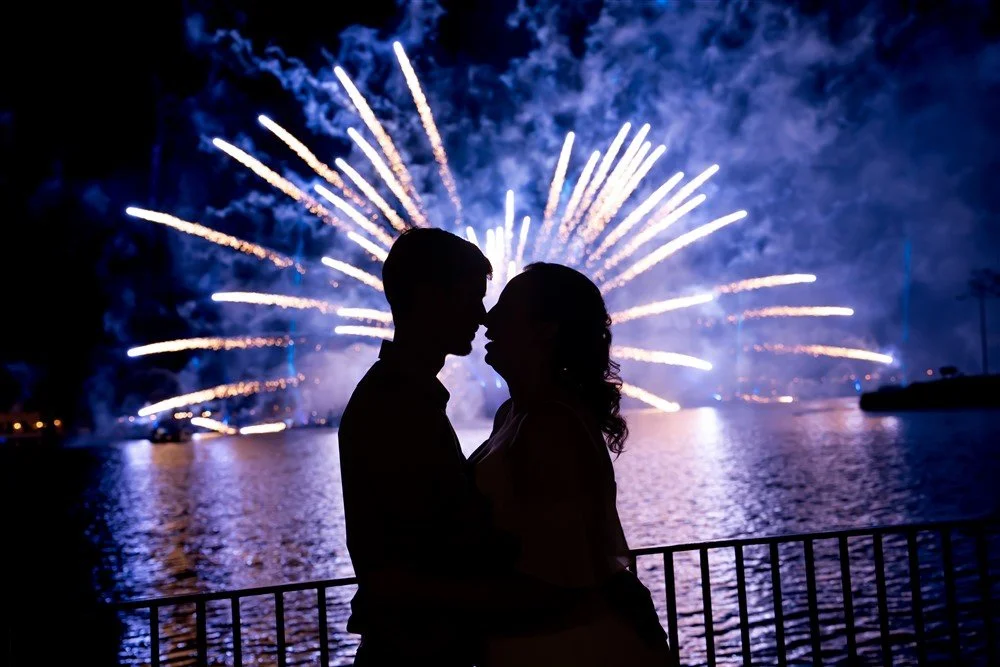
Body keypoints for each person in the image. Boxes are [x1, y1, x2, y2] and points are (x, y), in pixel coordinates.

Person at [340, 230, 576, 665]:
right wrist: (537, 597)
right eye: (471, 297)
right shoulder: (395, 405)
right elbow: (404, 567)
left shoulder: (403, 396)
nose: (483, 316)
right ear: (431, 298)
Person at [470, 262, 672, 666]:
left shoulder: (552, 424)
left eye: (506, 309)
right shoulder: (515, 413)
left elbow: (564, 569)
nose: (488, 320)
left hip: (567, 645)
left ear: (546, 330)